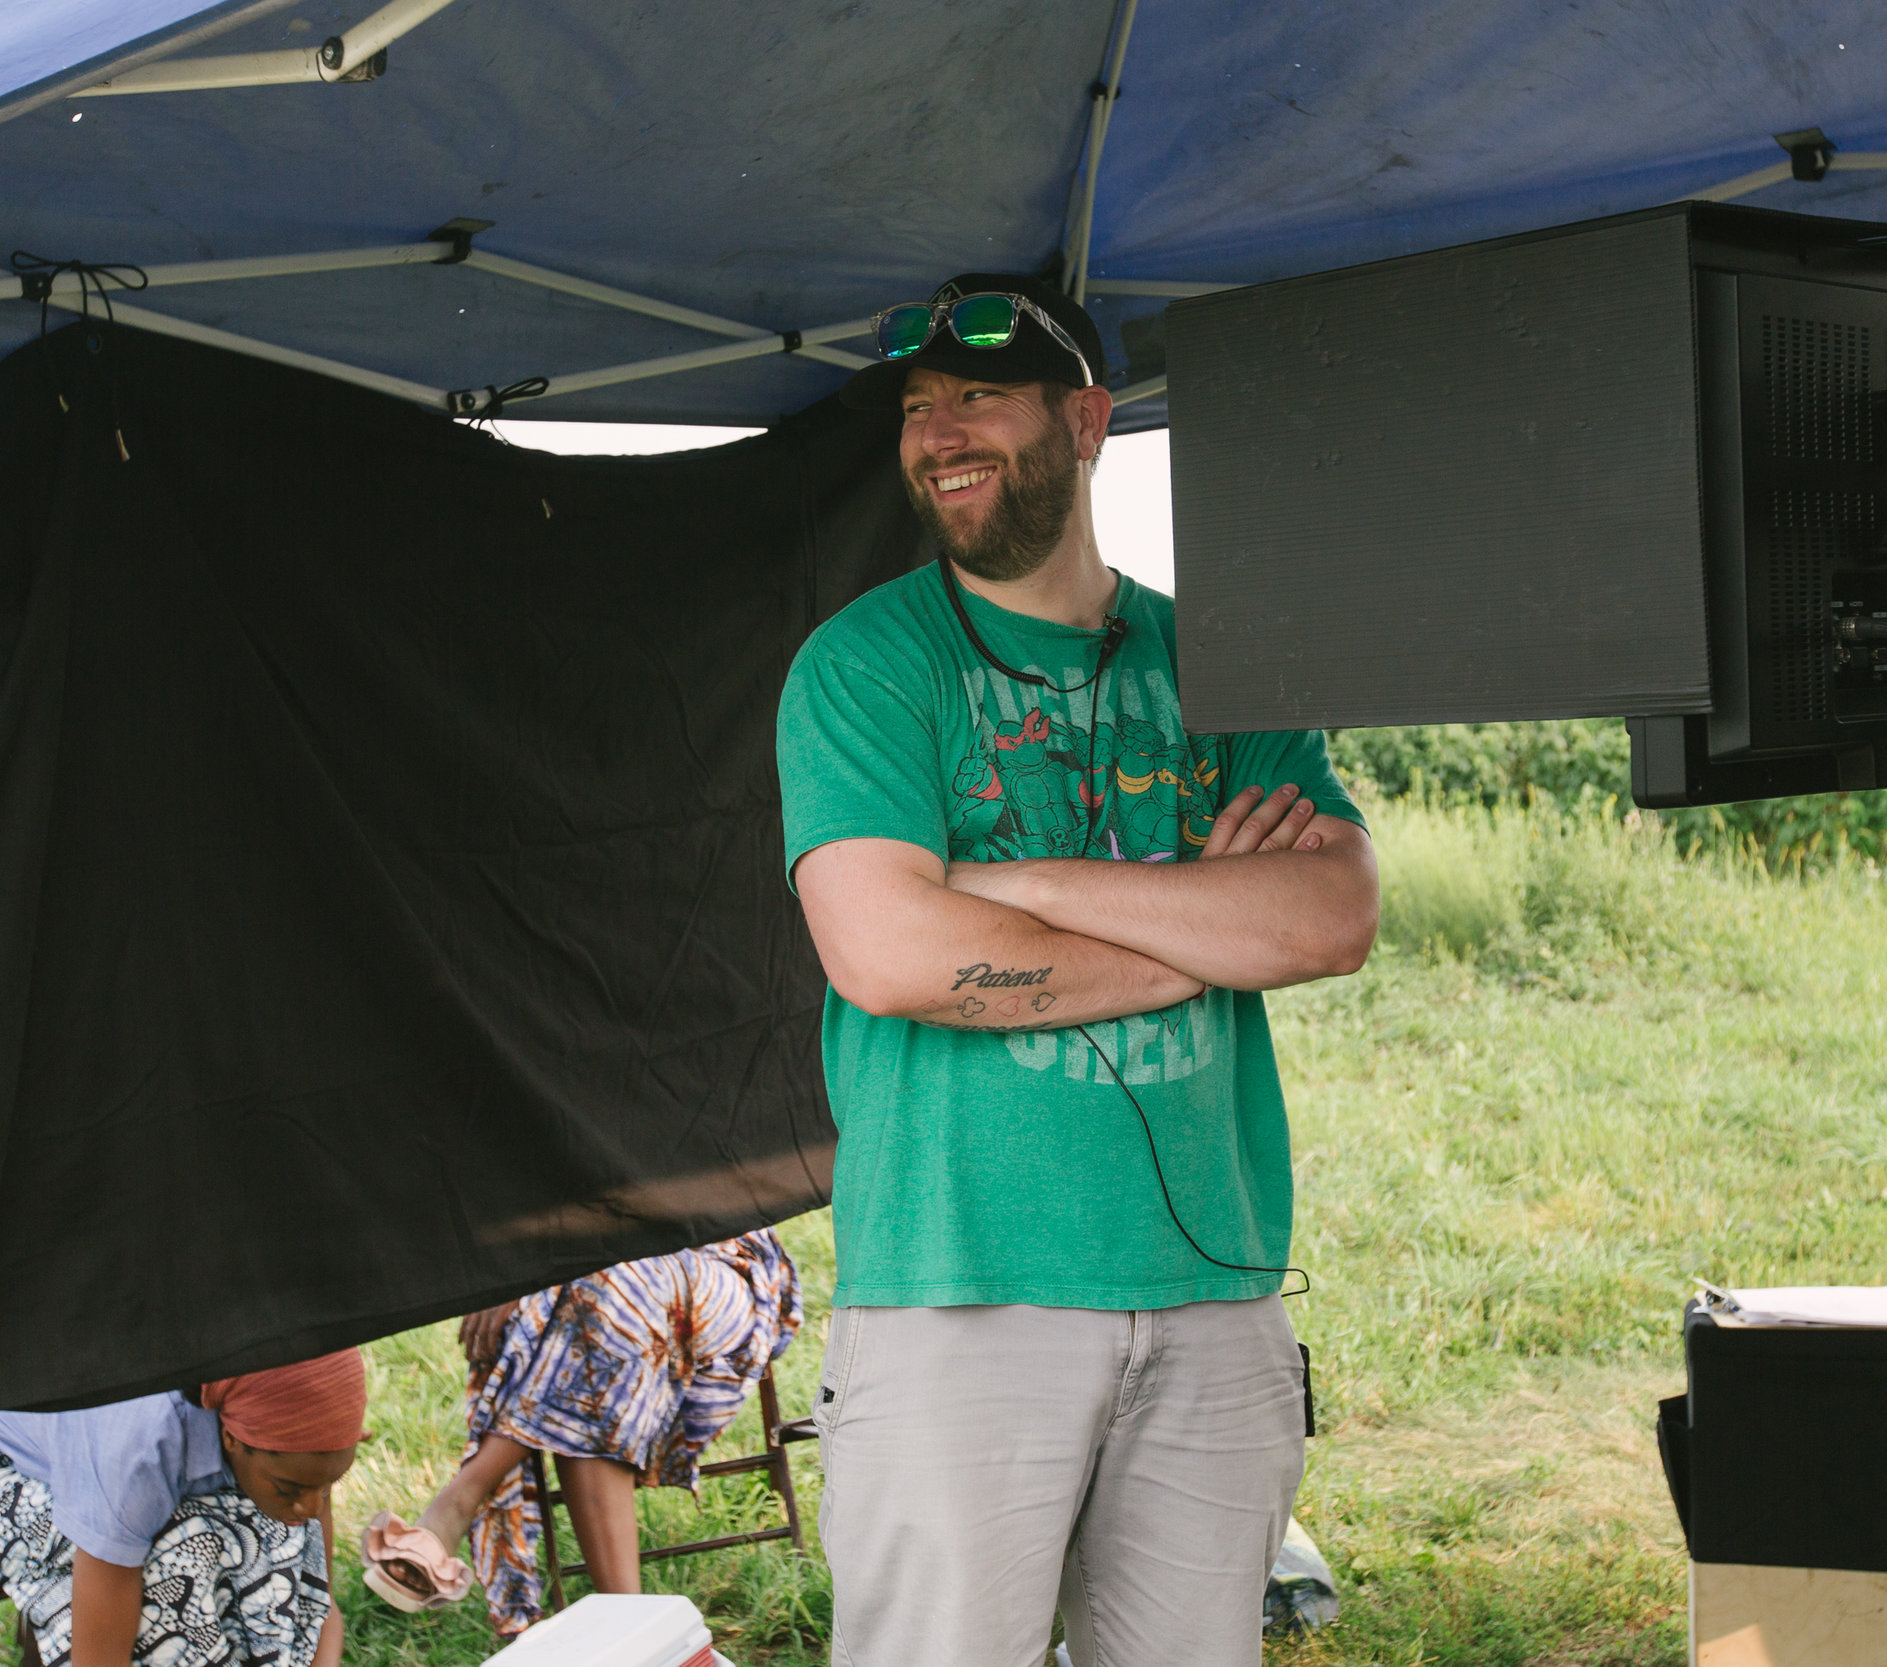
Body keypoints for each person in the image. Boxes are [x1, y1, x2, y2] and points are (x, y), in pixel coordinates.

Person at [776, 272, 1380, 1666]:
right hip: (957, 1299)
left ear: (1088, 419)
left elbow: (1329, 917)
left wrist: (1015, 884)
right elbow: (889, 952)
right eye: (919, 407)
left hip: (1215, 1294)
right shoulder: (865, 665)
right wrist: (1197, 930)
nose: (937, 434)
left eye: (977, 396)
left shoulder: (1217, 657)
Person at [361, 1229, 800, 1635]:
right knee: (590, 1312)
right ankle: (631, 1631)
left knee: (607, 1291)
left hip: (720, 1260)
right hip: (581, 1273)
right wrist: (516, 1275)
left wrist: (539, 1272)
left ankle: (461, 1498)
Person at [0, 1348, 366, 1667]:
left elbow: (320, 1605)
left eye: (328, 1486)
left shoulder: (298, 1450)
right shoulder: (140, 1448)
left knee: (280, 1532)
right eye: (290, 1489)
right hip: (21, 1474)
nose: (310, 1506)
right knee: (184, 1559)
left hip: (120, 1483)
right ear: (231, 1438)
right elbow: (99, 1657)